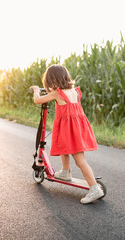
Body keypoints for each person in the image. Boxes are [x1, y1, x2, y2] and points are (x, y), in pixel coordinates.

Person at [30, 64, 104, 204]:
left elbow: (37, 100)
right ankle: (65, 171)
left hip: (70, 130)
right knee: (65, 148)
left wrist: (35, 90)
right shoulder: (74, 91)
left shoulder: (57, 93)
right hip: (76, 129)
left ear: (53, 80)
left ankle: (95, 189)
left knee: (80, 160)